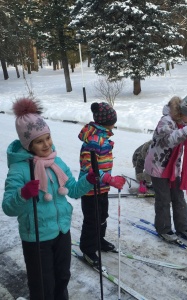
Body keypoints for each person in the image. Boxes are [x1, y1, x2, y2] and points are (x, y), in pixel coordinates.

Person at [2, 97, 97, 300]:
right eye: (39, 141)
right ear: (28, 144)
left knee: (62, 277)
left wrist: (88, 180)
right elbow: (8, 207)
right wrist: (23, 194)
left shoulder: (56, 162)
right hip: (36, 237)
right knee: (43, 285)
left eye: (48, 138)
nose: (46, 144)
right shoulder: (19, 169)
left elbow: (72, 190)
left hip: (62, 231)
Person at [144, 86, 187, 242]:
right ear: (184, 114)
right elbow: (170, 140)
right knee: (163, 199)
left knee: (178, 197)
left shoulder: (184, 124)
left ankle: (183, 227)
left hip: (174, 168)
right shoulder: (165, 121)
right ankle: (164, 228)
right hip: (158, 168)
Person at [78, 102, 126, 266]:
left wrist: (109, 180)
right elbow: (88, 167)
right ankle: (88, 249)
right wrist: (110, 179)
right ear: (108, 122)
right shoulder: (93, 141)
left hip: (102, 188)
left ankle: (99, 240)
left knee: (102, 216)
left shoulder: (103, 137)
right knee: (92, 219)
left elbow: (102, 164)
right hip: (90, 189)